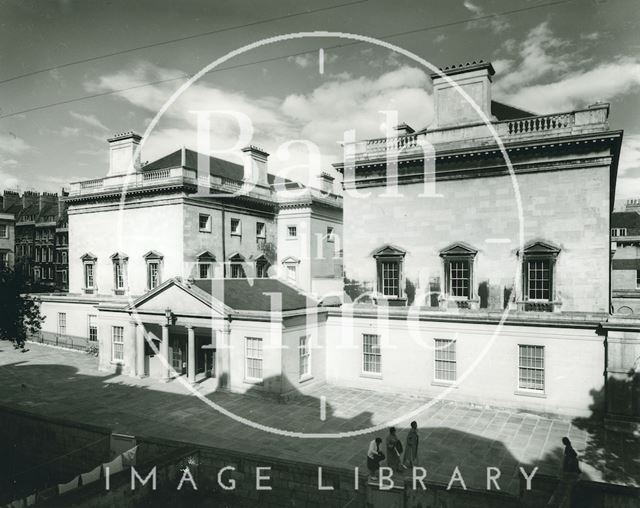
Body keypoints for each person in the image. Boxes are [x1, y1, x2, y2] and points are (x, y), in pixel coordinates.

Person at [547, 437, 581, 507]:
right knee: (565, 493)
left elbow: (567, 467)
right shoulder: (571, 454)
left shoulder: (569, 456)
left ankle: (555, 504)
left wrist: (563, 473)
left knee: (562, 492)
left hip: (568, 475)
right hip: (570, 475)